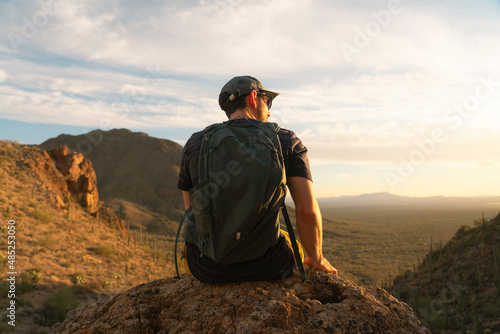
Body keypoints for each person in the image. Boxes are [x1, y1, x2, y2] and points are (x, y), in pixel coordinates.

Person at [177, 75, 337, 283]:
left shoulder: (196, 142)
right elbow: (306, 210)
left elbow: (192, 210)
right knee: (291, 243)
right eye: (267, 101)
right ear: (253, 98)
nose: (269, 110)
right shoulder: (286, 139)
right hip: (268, 266)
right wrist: (316, 258)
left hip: (207, 269)